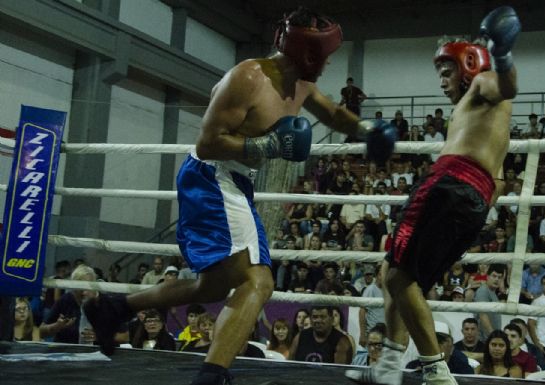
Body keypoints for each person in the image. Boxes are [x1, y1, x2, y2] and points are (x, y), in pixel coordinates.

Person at [84, 7, 396, 385]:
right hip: (212, 175)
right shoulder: (249, 77)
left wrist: (366, 129)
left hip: (233, 179)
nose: (328, 63)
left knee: (213, 285)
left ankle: (115, 308)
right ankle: (212, 375)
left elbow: (331, 114)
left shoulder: (301, 84)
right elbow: (209, 142)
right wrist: (266, 145)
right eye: (325, 55)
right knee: (258, 282)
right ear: (307, 51)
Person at [346, 6, 520, 385]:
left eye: (447, 71)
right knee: (398, 277)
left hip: (447, 186)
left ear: (470, 64)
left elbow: (506, 85)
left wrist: (503, 53)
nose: (442, 81)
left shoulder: (483, 84)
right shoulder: (487, 118)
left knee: (395, 277)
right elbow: (501, 182)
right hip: (473, 201)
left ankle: (434, 370)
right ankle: (391, 366)